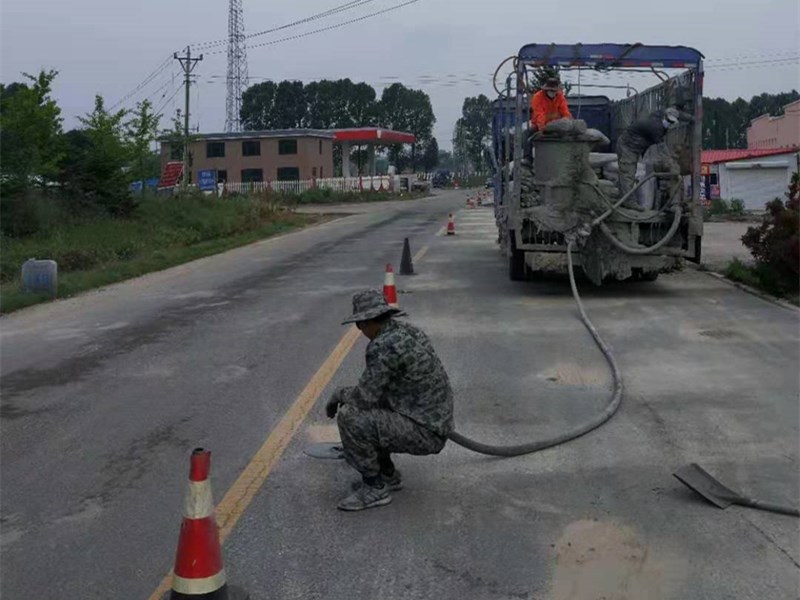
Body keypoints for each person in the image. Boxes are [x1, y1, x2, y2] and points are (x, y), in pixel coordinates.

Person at [325, 290, 454, 511]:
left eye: (360, 325)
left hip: (425, 432)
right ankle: (387, 474)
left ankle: (375, 488)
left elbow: (363, 398)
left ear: (364, 323)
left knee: (351, 416)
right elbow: (377, 392)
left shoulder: (383, 345)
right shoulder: (407, 331)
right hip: (431, 422)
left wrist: (338, 394)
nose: (360, 330)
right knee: (374, 408)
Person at [616, 107, 691, 208]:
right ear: (665, 117)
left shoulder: (661, 113)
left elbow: (679, 114)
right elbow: (663, 151)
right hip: (628, 146)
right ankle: (628, 202)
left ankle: (623, 198)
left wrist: (692, 118)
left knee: (628, 174)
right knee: (627, 173)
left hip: (637, 146)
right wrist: (672, 166)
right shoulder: (656, 128)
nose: (669, 123)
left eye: (672, 122)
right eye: (668, 121)